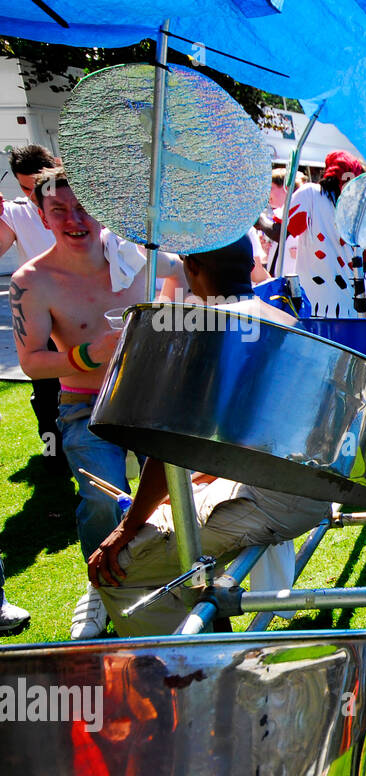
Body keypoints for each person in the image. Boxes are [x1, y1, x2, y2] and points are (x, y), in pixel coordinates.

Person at [88, 237, 333, 636]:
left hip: (273, 500)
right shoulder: (285, 320)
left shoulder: (206, 330)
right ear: (251, 263)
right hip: (306, 488)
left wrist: (127, 528)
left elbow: (171, 447)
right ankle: (212, 629)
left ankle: (189, 674)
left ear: (192, 267)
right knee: (163, 518)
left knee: (121, 568)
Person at [9, 166, 183, 638]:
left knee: (175, 497)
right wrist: (89, 352)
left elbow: (194, 271)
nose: (73, 218)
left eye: (83, 206)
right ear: (42, 217)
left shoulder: (134, 259)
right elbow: (32, 363)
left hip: (151, 400)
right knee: (100, 498)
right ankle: (101, 584)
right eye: (59, 210)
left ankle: (174, 576)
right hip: (87, 405)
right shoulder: (32, 280)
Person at [0, 145, 61, 469]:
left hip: (85, 313)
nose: (34, 195)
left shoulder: (74, 203)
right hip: (42, 317)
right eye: (25, 188)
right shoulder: (16, 211)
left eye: (39, 185)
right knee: (47, 391)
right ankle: (53, 453)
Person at [261, 149, 366, 318]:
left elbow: (280, 233)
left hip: (315, 304)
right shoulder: (357, 208)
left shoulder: (311, 192)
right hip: (352, 306)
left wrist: (259, 221)